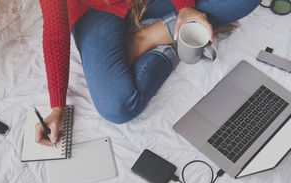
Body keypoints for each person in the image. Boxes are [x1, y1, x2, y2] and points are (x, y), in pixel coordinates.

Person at [36, 0, 261, 146]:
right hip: (97, 13)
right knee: (117, 107)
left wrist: (184, 6)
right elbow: (56, 32)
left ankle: (152, 36)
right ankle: (171, 35)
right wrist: (57, 106)